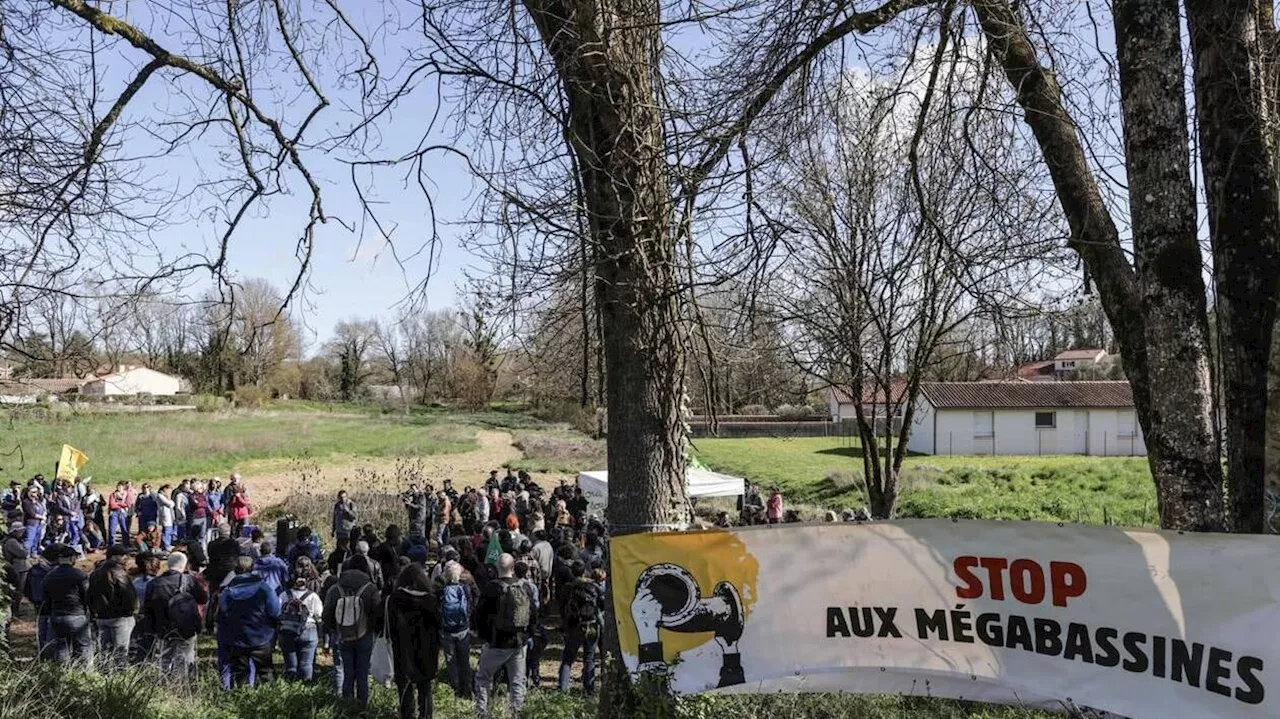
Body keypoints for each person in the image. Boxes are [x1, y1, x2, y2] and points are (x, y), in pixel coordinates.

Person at [473, 553, 531, 718]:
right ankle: (516, 713)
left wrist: (484, 637)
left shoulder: (492, 588)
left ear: (497, 568)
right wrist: (527, 635)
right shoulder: (524, 586)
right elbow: (533, 614)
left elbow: (480, 615)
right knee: (518, 681)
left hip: (497, 642)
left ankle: (482, 712)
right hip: (519, 643)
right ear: (513, 568)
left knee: (483, 677)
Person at [322, 554, 381, 706]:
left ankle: (346, 705)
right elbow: (377, 614)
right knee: (362, 673)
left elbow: (326, 614)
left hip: (342, 635)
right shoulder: (370, 588)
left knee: (345, 671)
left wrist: (336, 628)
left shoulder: (336, 588)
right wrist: (371, 629)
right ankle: (362, 706)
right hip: (365, 635)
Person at [218, 554, 282, 688]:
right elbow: (275, 611)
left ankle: (243, 697)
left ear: (236, 569)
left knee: (241, 672)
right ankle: (271, 699)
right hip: (261, 636)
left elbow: (223, 610)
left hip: (237, 636)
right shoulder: (264, 588)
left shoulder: (228, 590)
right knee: (266, 672)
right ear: (253, 568)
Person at [387, 563, 441, 719]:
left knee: (404, 686)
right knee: (425, 687)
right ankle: (425, 715)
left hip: (402, 649)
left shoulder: (395, 600)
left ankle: (407, 714)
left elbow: (387, 624)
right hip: (426, 649)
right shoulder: (430, 600)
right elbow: (439, 624)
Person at [143, 552, 208, 680]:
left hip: (162, 627)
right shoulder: (189, 581)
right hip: (186, 627)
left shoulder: (154, 583)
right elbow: (203, 599)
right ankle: (181, 686)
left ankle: (163, 684)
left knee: (164, 658)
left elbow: (147, 608)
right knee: (184, 658)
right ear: (183, 565)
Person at [88, 544, 138, 671]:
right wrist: (132, 611)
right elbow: (129, 595)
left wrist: (94, 612)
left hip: (102, 616)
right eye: (124, 557)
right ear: (116, 557)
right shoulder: (119, 572)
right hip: (120, 617)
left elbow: (89, 595)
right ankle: (120, 678)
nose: (126, 559)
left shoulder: (95, 573)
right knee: (121, 651)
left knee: (104, 651)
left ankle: (103, 676)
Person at [41, 544, 93, 665]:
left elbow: (46, 598)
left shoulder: (49, 576)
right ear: (72, 558)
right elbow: (87, 596)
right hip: (77, 615)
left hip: (57, 616)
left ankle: (62, 674)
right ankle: (84, 675)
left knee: (60, 648)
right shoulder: (79, 575)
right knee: (83, 647)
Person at [559, 560, 602, 693]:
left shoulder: (568, 587)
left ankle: (563, 688)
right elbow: (601, 604)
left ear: (572, 572)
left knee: (568, 658)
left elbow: (562, 608)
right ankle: (589, 689)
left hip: (574, 626)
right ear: (584, 571)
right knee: (589, 658)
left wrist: (564, 625)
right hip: (592, 624)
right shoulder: (594, 586)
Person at [437, 560, 474, 698]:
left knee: (451, 660)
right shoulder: (465, 588)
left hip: (446, 630)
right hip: (463, 629)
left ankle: (455, 689)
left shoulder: (441, 591)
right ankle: (468, 688)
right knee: (464, 659)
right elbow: (469, 606)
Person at [279, 571, 324, 681]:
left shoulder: (284, 595)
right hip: (308, 629)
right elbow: (319, 615)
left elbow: (278, 612)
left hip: (287, 630)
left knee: (291, 665)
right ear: (307, 581)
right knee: (306, 664)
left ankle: (290, 686)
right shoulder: (313, 596)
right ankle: (306, 686)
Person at [3, 521, 29, 617]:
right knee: (17, 591)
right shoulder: (12, 542)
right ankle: (14, 612)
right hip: (17, 569)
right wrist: (25, 550)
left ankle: (15, 610)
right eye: (19, 531)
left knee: (19, 591)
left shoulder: (15, 541)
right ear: (14, 532)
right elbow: (23, 553)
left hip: (19, 568)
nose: (21, 533)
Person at [206, 523, 241, 591]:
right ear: (229, 532)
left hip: (214, 571)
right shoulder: (234, 543)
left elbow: (210, 555)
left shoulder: (211, 544)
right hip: (229, 570)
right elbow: (238, 555)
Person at [22, 484, 47, 555]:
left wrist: (43, 516)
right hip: (31, 523)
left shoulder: (38, 501)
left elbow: (43, 509)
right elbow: (31, 513)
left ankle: (34, 552)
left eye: (36, 492)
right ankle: (25, 554)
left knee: (36, 539)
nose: (35, 494)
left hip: (39, 523)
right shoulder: (26, 502)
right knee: (29, 539)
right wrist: (42, 517)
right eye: (33, 492)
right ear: (28, 492)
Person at [106, 482, 130, 546]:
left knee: (124, 529)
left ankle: (126, 544)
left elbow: (127, 504)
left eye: (120, 486)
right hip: (114, 512)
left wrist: (117, 503)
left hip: (123, 512)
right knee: (112, 530)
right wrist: (121, 505)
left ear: (123, 487)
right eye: (118, 486)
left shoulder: (126, 494)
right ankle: (111, 545)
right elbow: (112, 505)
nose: (119, 488)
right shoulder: (113, 494)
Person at [156, 484, 176, 549]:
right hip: (165, 516)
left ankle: (167, 544)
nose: (170, 492)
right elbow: (170, 504)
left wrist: (170, 501)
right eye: (169, 490)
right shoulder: (160, 496)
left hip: (170, 516)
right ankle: (166, 545)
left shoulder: (166, 496)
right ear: (165, 489)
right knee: (167, 531)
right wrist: (170, 501)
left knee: (169, 531)